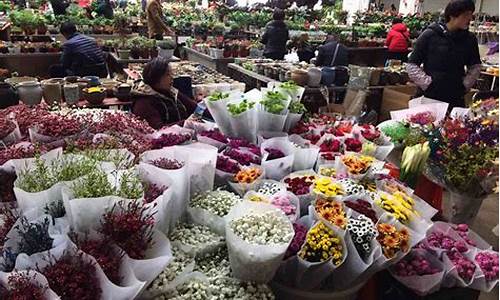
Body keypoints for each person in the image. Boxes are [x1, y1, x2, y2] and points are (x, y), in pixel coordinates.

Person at [406, 0, 481, 108]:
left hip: (455, 97)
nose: (470, 19)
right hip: (429, 97)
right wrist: (428, 84)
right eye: (466, 15)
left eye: (471, 15)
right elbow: (412, 64)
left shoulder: (470, 39)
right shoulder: (430, 35)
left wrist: (465, 85)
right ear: (452, 15)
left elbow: (475, 65)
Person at [131, 58, 197, 129]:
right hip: (165, 138)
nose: (172, 77)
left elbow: (194, 107)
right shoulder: (143, 102)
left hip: (184, 135)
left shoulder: (170, 92)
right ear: (156, 78)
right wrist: (187, 123)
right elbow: (158, 129)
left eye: (171, 74)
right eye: (167, 74)